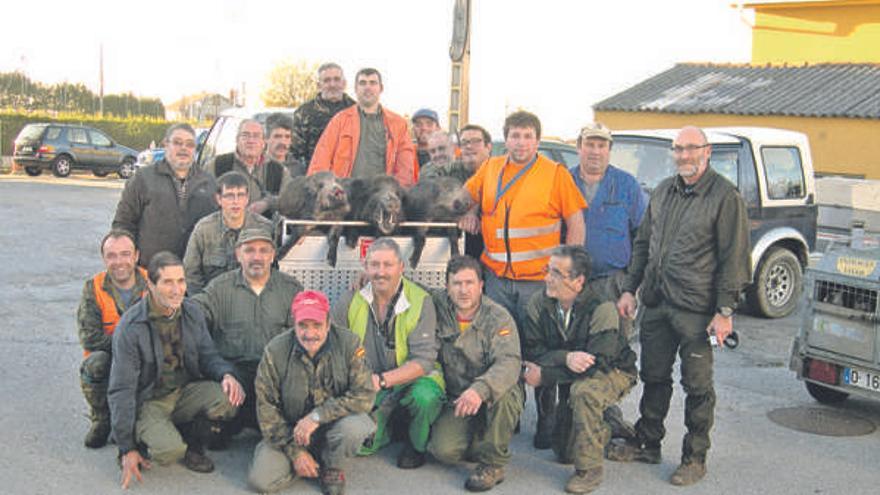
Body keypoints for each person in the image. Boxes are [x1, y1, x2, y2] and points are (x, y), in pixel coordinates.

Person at [608, 126, 750, 486]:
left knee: (698, 386)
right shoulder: (662, 192)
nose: (684, 155)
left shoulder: (724, 197)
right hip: (657, 303)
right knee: (654, 377)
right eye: (678, 149)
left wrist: (724, 312)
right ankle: (648, 442)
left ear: (707, 152)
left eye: (691, 148)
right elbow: (643, 244)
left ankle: (694, 457)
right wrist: (630, 289)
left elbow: (734, 258)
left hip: (698, 310)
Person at [459, 110, 587, 448]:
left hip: (539, 283)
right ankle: (508, 414)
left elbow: (575, 223)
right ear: (506, 138)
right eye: (515, 135)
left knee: (541, 351)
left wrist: (567, 274)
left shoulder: (555, 173)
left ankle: (547, 420)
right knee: (500, 348)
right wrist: (470, 211)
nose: (521, 142)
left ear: (537, 140)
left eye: (528, 136)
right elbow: (465, 198)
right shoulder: (491, 168)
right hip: (498, 279)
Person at [108, 251, 245, 489]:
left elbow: (208, 355)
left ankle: (191, 440)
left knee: (229, 397)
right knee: (169, 452)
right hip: (150, 400)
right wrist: (126, 448)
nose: (176, 290)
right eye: (168, 282)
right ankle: (145, 434)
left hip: (184, 392)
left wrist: (226, 374)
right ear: (150, 284)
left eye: (180, 281)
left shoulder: (192, 312)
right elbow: (122, 390)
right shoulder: (131, 328)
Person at [521, 246, 637, 494]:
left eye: (555, 273)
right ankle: (608, 422)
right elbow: (533, 352)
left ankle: (589, 471)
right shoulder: (538, 304)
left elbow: (600, 363)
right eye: (547, 270)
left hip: (612, 371)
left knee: (584, 393)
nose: (546, 278)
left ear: (578, 281)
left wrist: (546, 375)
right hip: (572, 371)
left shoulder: (602, 307)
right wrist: (566, 357)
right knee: (564, 452)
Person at [248, 290, 376, 495]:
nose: (310, 333)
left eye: (317, 325)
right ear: (294, 323)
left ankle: (332, 466)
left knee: (356, 426)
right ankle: (308, 461)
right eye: (303, 325)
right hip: (290, 431)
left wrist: (317, 416)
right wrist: (296, 453)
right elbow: (267, 410)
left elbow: (365, 395)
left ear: (328, 323)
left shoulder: (349, 344)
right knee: (261, 481)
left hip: (333, 426)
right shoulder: (274, 351)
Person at [330, 238, 442, 469]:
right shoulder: (350, 300)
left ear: (401, 267)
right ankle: (391, 426)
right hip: (371, 384)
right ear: (365, 267)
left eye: (388, 265)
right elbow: (333, 348)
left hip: (412, 380)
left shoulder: (421, 301)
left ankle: (416, 445)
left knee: (425, 398)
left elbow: (424, 361)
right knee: (361, 447)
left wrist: (381, 381)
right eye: (375, 265)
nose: (381, 272)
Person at [568, 122, 647, 441]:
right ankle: (558, 416)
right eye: (590, 144)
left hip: (613, 284)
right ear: (579, 146)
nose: (596, 151)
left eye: (602, 145)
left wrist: (631, 287)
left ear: (609, 150)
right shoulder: (564, 181)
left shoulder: (626, 185)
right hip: (572, 285)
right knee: (569, 345)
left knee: (611, 349)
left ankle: (608, 412)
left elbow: (643, 238)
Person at [427, 255, 523, 492]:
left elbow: (509, 362)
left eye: (470, 283)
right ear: (447, 287)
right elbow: (407, 287)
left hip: (492, 393)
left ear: (481, 285)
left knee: (508, 393)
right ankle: (486, 436)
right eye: (457, 283)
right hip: (458, 397)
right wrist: (370, 277)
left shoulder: (498, 317)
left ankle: (493, 464)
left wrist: (479, 391)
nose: (463, 290)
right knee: (443, 451)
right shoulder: (437, 304)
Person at [193, 228, 303, 433]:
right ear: (238, 254)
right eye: (249, 250)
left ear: (272, 255)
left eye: (263, 251)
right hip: (236, 374)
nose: (257, 257)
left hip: (274, 375)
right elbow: (192, 314)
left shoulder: (291, 289)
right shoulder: (218, 288)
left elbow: (305, 337)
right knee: (215, 431)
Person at [76, 230, 149, 448]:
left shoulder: (153, 282)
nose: (119, 262)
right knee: (95, 363)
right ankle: (102, 419)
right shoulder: (93, 287)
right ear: (104, 259)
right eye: (112, 255)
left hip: (146, 355)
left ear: (136, 256)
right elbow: (89, 338)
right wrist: (126, 346)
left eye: (125, 254)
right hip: (110, 356)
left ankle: (143, 418)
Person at [112, 123, 218, 266]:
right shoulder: (143, 179)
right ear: (166, 144)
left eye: (190, 144)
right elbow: (123, 224)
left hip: (195, 275)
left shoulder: (209, 182)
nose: (184, 149)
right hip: (152, 274)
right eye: (177, 143)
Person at [308, 68, 416, 187]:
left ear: (381, 88)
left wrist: (397, 193)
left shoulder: (398, 124)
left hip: (381, 197)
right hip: (345, 195)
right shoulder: (339, 121)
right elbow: (320, 161)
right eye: (362, 83)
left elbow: (406, 167)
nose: (367, 87)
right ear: (355, 88)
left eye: (373, 83)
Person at [183, 171, 274, 295]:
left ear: (247, 199)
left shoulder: (264, 228)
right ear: (219, 199)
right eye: (230, 196)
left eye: (240, 195)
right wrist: (202, 305)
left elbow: (274, 272)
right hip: (214, 302)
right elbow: (191, 274)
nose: (235, 201)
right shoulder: (204, 229)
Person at [204, 119, 292, 217]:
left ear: (264, 142)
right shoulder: (217, 166)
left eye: (256, 136)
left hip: (265, 230)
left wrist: (268, 203)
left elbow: (290, 202)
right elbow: (204, 201)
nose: (251, 141)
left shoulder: (279, 171)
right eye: (245, 135)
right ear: (237, 140)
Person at [291, 63, 356, 167]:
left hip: (349, 177)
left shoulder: (356, 111)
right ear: (318, 85)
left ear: (344, 83)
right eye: (327, 80)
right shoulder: (304, 113)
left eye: (336, 79)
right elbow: (295, 153)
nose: (332, 85)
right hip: (315, 176)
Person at [264, 112, 304, 177]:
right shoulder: (256, 165)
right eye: (277, 136)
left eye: (287, 137)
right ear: (266, 138)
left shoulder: (298, 169)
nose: (283, 142)